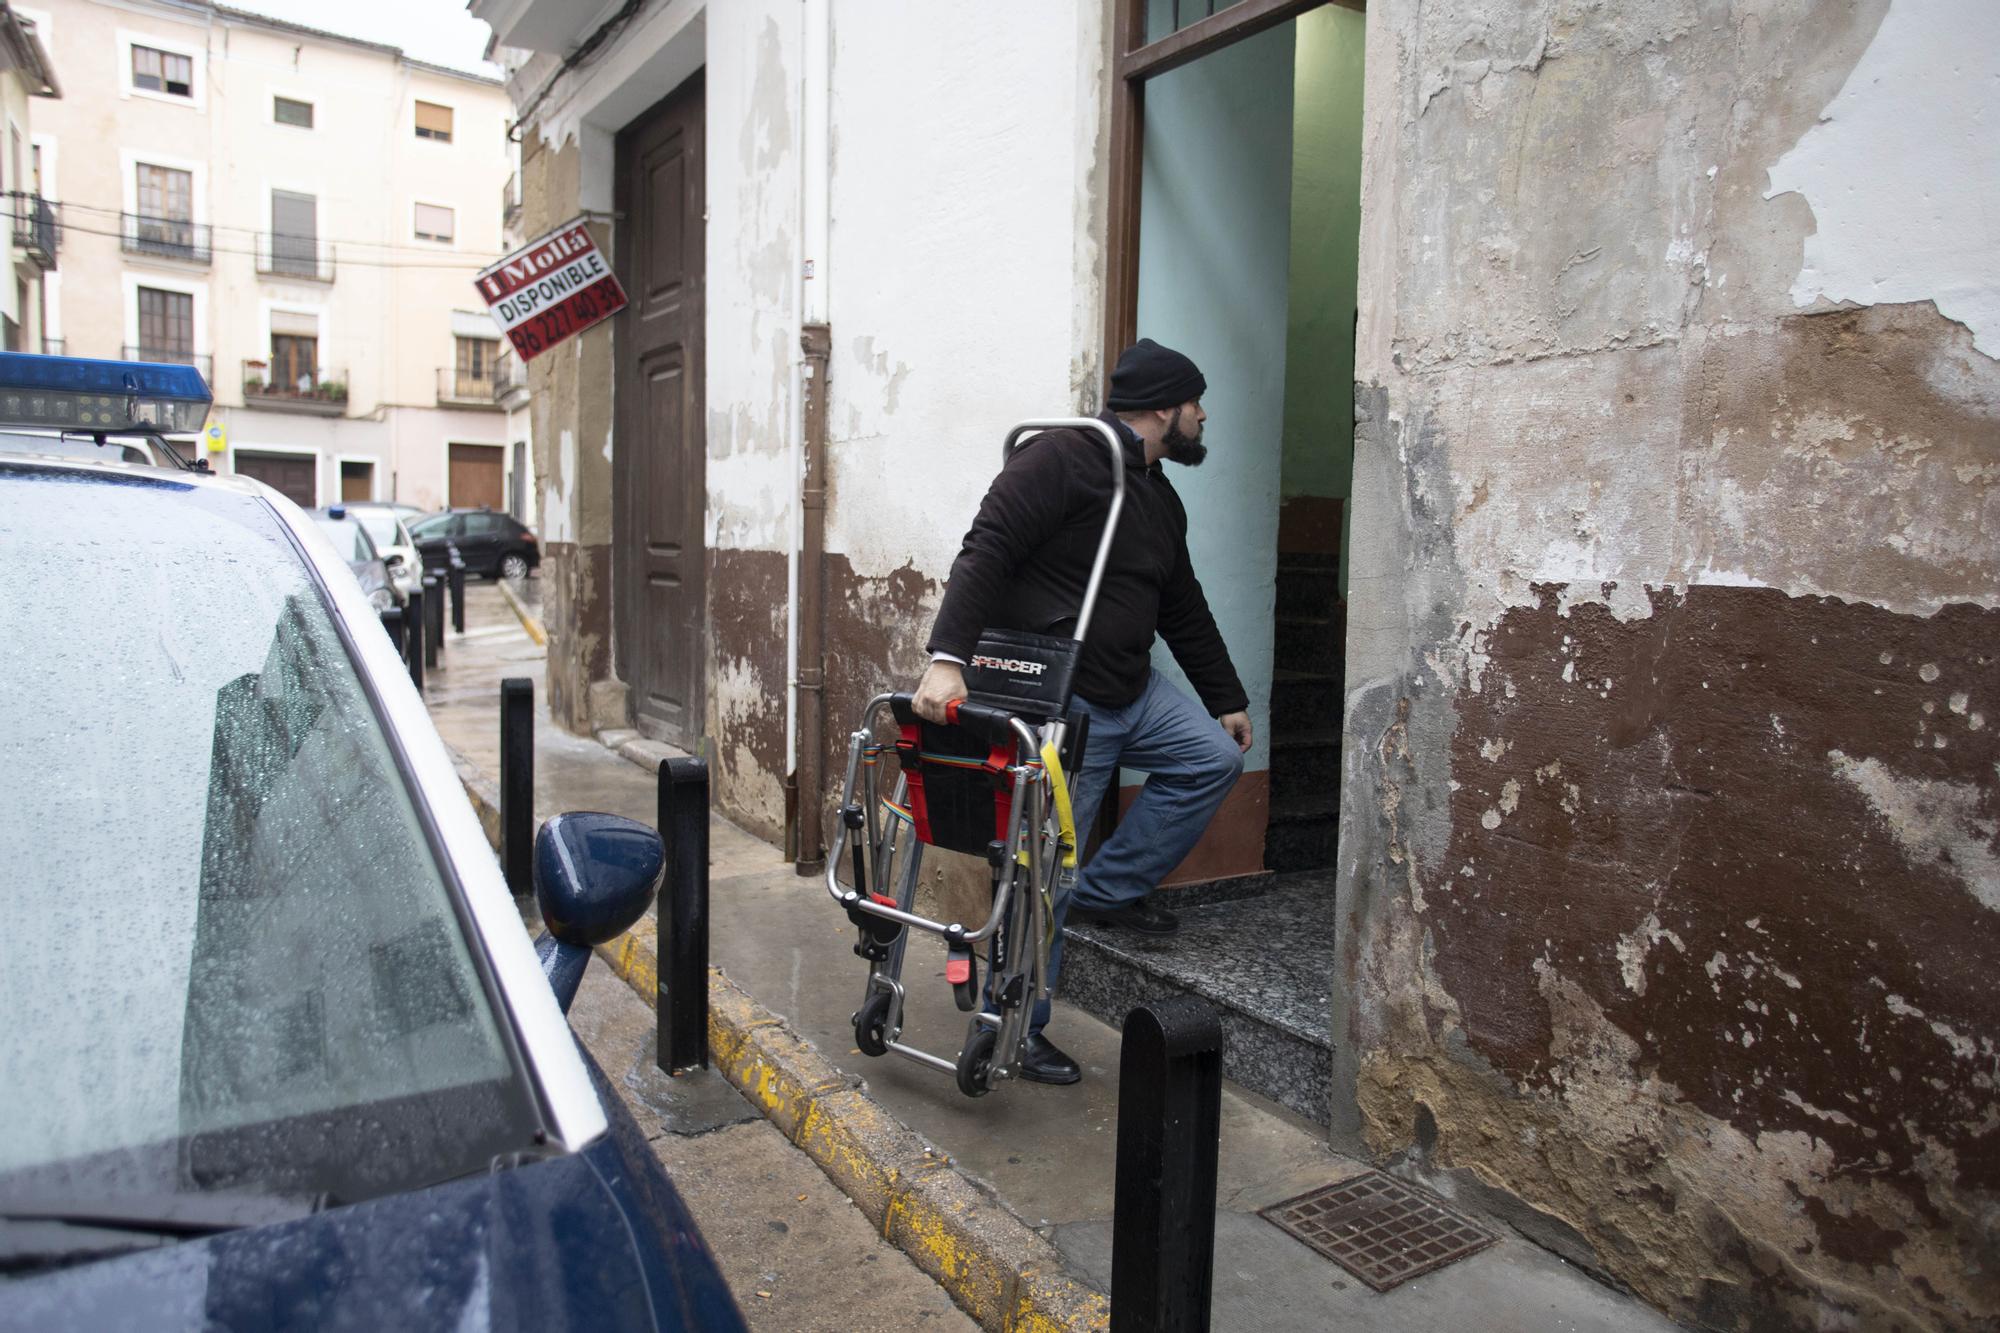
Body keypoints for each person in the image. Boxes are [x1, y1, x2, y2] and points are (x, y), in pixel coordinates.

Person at [912, 338, 1252, 1086]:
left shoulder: (1158, 493)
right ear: (1165, 407)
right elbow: (988, 545)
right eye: (1196, 402)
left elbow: (1182, 605)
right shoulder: (1064, 457)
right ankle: (1018, 1024)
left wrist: (1224, 696)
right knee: (1041, 869)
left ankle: (1108, 892)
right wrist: (948, 655)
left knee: (1212, 760)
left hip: (1135, 687)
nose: (1203, 415)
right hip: (1068, 698)